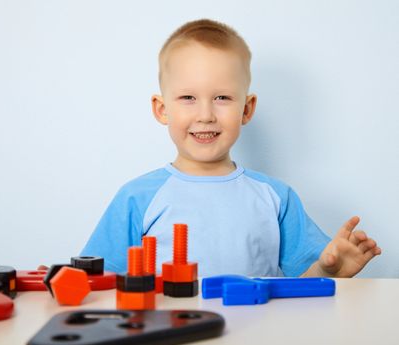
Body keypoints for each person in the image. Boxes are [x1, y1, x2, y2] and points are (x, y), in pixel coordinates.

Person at [80, 19, 381, 277]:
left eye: (222, 98)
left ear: (247, 109)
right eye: (188, 98)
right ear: (162, 109)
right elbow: (96, 281)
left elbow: (303, 279)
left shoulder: (275, 197)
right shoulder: (136, 198)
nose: (206, 114)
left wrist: (329, 271)